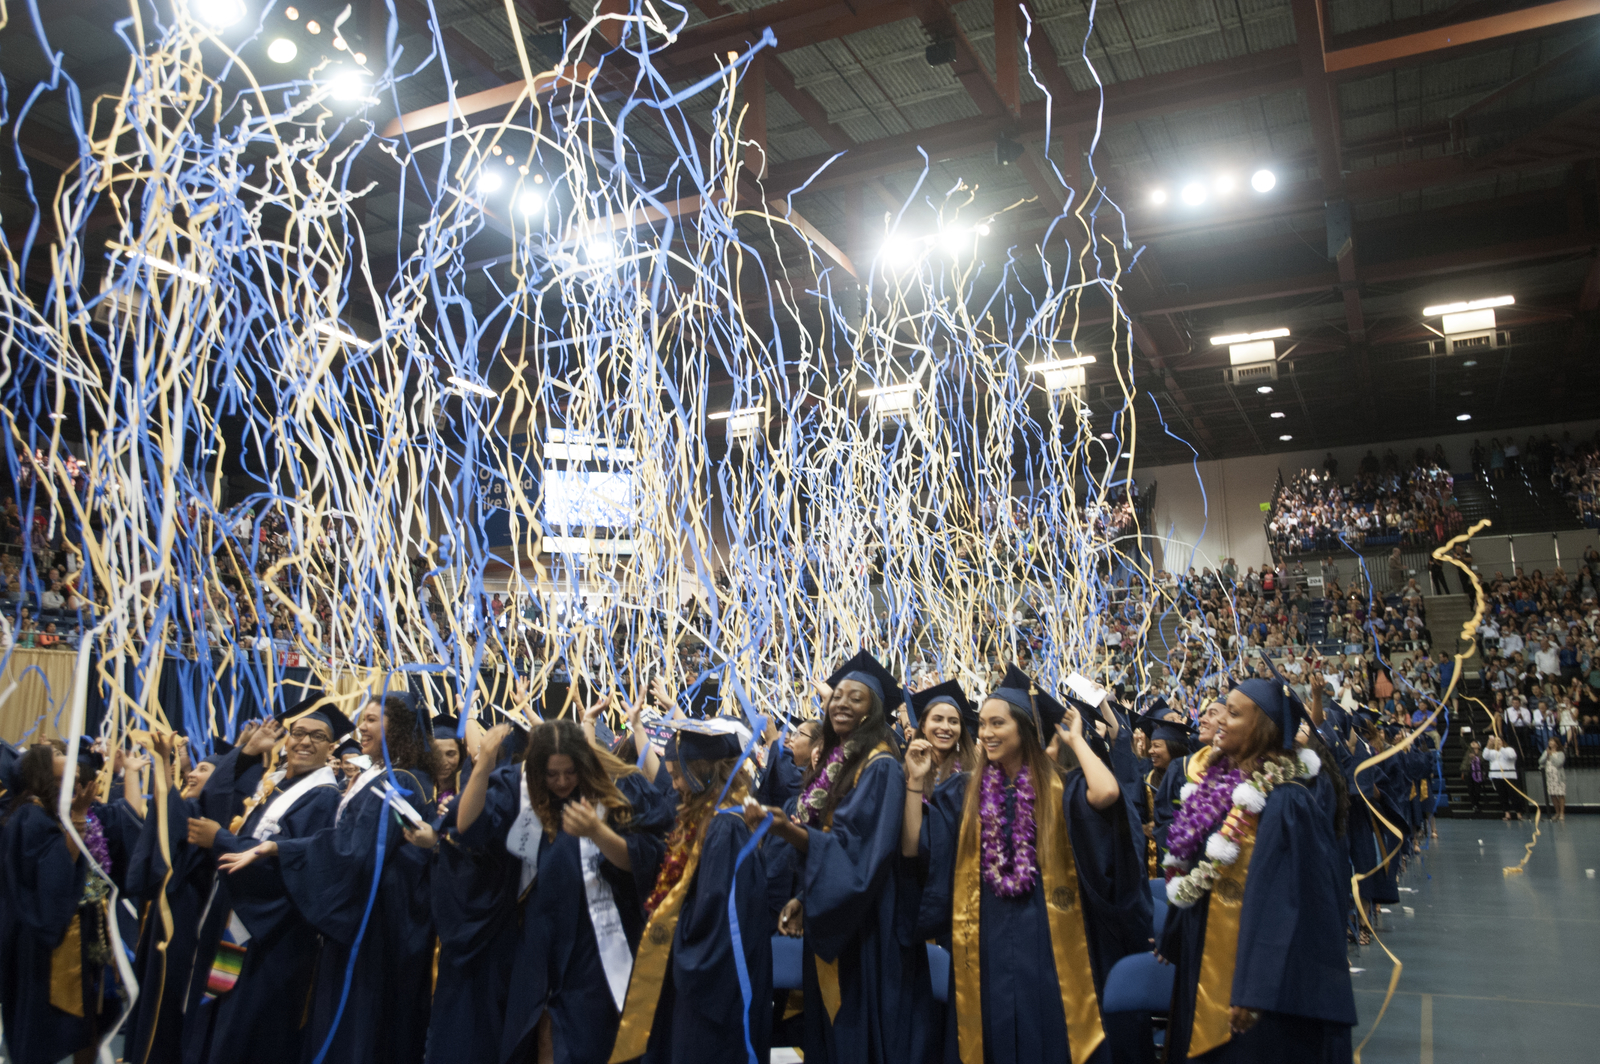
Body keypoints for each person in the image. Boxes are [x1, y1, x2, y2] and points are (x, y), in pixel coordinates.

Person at [903, 665, 1146, 1064]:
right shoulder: (964, 792)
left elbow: (1106, 794)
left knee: (1051, 1029)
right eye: (982, 725)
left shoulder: (1060, 789)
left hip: (1048, 934)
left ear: (1024, 731)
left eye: (997, 724)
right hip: (985, 931)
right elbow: (914, 847)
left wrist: (1076, 741)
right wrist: (914, 782)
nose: (985, 733)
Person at [429, 715, 670, 1064]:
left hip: (596, 941)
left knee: (590, 1039)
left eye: (569, 773)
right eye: (551, 774)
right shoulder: (519, 786)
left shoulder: (619, 786)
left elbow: (646, 861)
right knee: (539, 1034)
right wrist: (483, 764)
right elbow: (467, 826)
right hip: (537, 936)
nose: (560, 782)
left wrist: (598, 832)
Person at [217, 692, 442, 1064]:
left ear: (398, 728)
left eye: (373, 719)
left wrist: (283, 851)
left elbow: (351, 853)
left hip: (375, 933)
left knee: (358, 1033)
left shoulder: (399, 781)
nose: (362, 726)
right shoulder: (391, 776)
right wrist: (280, 849)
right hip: (378, 927)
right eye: (363, 718)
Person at [743, 650, 929, 1064]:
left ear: (871, 712)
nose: (841, 703)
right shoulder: (841, 762)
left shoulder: (879, 766)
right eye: (837, 696)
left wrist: (787, 829)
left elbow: (859, 853)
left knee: (858, 1027)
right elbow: (836, 841)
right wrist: (804, 899)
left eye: (856, 698)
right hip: (840, 909)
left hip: (868, 925)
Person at [1160, 677, 1357, 1061]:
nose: (1218, 721)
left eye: (1233, 714)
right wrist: (1174, 935)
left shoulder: (1286, 801)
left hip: (1253, 978)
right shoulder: (1214, 786)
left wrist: (1257, 988)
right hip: (1205, 958)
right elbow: (1195, 865)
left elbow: (1290, 905)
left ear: (1262, 727)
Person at [180, 696, 353, 1064]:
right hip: (239, 921)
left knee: (246, 1036)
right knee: (218, 1026)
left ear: (331, 749)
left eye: (317, 737)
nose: (304, 742)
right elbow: (213, 800)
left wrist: (221, 840)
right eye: (298, 733)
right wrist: (245, 753)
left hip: (269, 938)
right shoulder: (278, 786)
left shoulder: (322, 798)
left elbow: (291, 864)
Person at [610, 718, 771, 1063]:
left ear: (702, 772)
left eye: (679, 774)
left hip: (720, 982)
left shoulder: (725, 827)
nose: (675, 784)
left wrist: (671, 927)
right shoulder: (709, 815)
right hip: (712, 970)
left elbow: (718, 919)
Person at [0, 743, 140, 1064]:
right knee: (43, 1028)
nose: (70, 757)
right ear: (41, 770)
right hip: (45, 943)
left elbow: (127, 821)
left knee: (89, 1018)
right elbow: (49, 876)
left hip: (84, 933)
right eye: (59, 756)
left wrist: (80, 813)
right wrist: (76, 818)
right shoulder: (28, 816)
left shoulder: (62, 811)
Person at [1483, 735, 1521, 821]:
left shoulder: (1509, 749)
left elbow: (1511, 757)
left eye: (1499, 741)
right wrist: (1489, 744)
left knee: (1513, 795)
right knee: (1502, 795)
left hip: (1509, 775)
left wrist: (1501, 748)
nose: (1497, 743)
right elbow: (1485, 756)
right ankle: (1507, 813)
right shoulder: (1492, 752)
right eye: (1496, 741)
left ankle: (1518, 812)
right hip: (1496, 776)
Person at [1538, 738, 1566, 822]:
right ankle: (1557, 812)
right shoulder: (1546, 752)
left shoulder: (1561, 753)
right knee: (1553, 795)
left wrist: (1551, 756)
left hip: (1558, 777)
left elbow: (1559, 763)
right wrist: (1546, 756)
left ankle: (1562, 813)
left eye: (1552, 741)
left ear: (1556, 743)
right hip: (1550, 777)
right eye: (1549, 741)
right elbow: (1540, 761)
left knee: (1560, 794)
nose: (1550, 742)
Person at [1458, 740, 1486, 814]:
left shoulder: (1481, 753)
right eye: (1472, 742)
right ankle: (1474, 804)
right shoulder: (1468, 751)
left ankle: (1477, 803)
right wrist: (1462, 736)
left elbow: (1482, 760)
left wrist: (1475, 757)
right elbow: (1463, 743)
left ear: (1479, 746)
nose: (1473, 743)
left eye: (1475, 742)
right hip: (1468, 771)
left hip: (1477, 773)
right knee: (1470, 789)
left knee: (1477, 789)